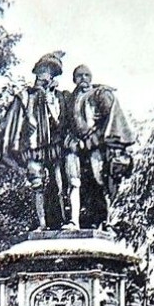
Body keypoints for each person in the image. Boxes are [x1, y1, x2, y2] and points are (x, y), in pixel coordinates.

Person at [0, 52, 68, 230]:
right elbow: (13, 121)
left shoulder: (58, 96)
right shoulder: (25, 96)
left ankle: (61, 220)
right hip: (33, 146)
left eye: (50, 72)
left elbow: (60, 121)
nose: (45, 75)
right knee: (37, 184)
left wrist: (49, 99)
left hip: (54, 145)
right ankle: (41, 223)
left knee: (59, 182)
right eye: (43, 70)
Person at [62, 64, 134, 229]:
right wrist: (70, 140)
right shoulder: (71, 98)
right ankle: (86, 220)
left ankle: (103, 220)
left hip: (97, 147)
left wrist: (92, 141)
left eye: (87, 75)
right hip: (77, 148)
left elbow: (109, 122)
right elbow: (67, 123)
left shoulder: (100, 94)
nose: (83, 79)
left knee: (99, 181)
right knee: (80, 183)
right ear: (74, 79)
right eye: (79, 76)